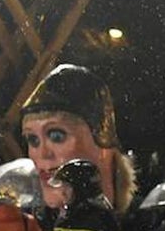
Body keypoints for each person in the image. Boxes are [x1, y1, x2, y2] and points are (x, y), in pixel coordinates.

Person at [20, 63, 137, 216]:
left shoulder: (145, 223)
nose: (42, 153)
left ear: (102, 147)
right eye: (33, 139)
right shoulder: (27, 224)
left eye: (56, 136)